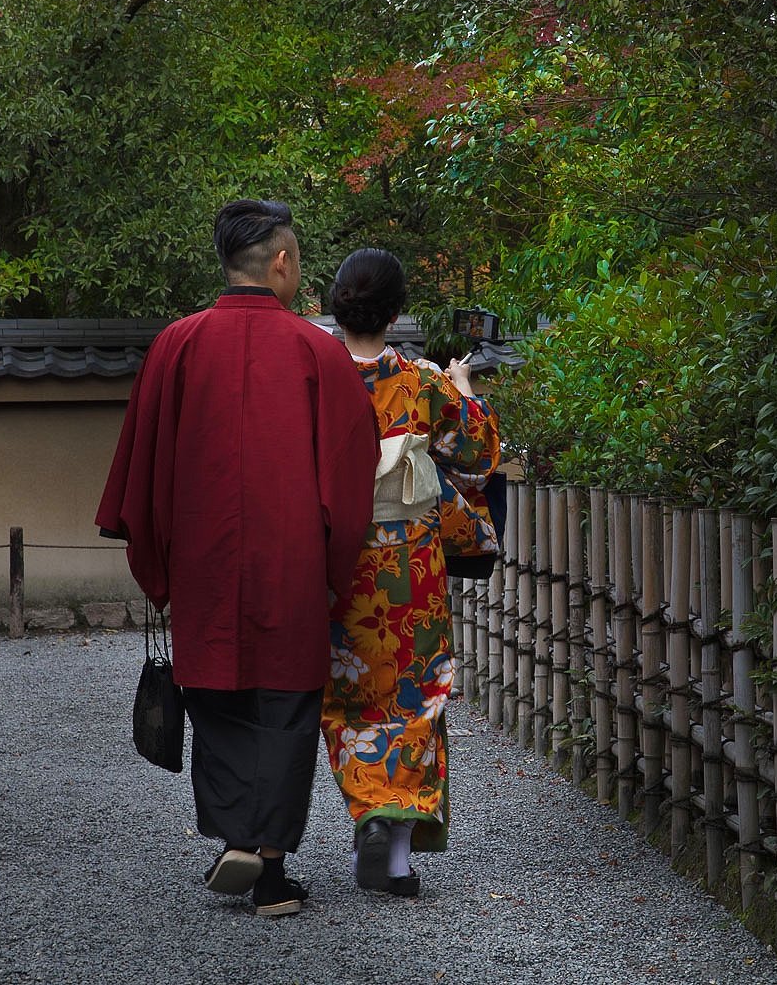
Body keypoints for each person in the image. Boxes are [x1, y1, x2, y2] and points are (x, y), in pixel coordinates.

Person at [95, 199, 379, 917]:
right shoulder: (320, 354)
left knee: (217, 698)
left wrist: (161, 565)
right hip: (291, 567)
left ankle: (234, 840)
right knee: (285, 708)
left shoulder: (177, 345)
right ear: (281, 262)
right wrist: (332, 572)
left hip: (204, 560)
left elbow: (144, 467)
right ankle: (272, 873)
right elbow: (350, 478)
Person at [320, 248, 500, 897]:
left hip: (335, 556)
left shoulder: (312, 375)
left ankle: (369, 809)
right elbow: (475, 459)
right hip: (409, 558)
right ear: (396, 313)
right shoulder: (423, 380)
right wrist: (465, 391)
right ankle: (395, 860)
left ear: (334, 305)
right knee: (414, 699)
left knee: (344, 697)